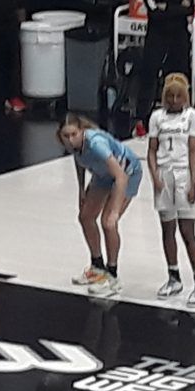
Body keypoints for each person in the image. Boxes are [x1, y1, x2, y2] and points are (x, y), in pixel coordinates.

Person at [57, 114, 143, 298]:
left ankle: (113, 275)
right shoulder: (72, 145)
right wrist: (81, 188)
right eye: (66, 136)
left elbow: (121, 176)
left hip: (126, 172)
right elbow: (79, 160)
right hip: (102, 175)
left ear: (82, 131)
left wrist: (114, 210)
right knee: (85, 216)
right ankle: (97, 266)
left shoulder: (96, 144)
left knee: (108, 223)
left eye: (74, 134)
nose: (71, 140)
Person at [146, 73, 195, 305]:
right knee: (167, 229)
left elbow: (193, 151)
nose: (174, 100)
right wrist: (155, 177)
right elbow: (151, 150)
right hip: (164, 174)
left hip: (183, 174)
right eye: (170, 96)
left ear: (186, 96)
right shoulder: (156, 117)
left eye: (178, 96)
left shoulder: (192, 116)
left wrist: (193, 182)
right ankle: (174, 277)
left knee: (187, 231)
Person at [136, 0, 193, 137]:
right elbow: (154, 12)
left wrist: (166, 6)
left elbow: (190, 8)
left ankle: (184, 115)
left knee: (180, 72)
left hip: (179, 34)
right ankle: (142, 118)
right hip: (157, 34)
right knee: (149, 73)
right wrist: (176, 6)